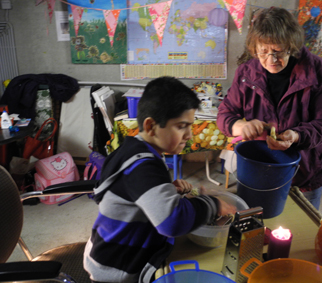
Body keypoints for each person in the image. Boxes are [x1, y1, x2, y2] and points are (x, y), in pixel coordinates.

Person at [84, 76, 236, 283]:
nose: (189, 135)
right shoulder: (144, 167)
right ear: (151, 126)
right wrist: (213, 204)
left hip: (109, 250)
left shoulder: (133, 149)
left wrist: (166, 190)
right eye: (182, 126)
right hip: (118, 269)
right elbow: (172, 223)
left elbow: (133, 191)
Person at [217, 7, 322, 210]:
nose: (271, 60)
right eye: (263, 52)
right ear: (254, 48)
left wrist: (296, 136)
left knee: (301, 226)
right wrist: (239, 126)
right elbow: (225, 114)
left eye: (278, 51)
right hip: (259, 166)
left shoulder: (319, 71)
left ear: (291, 45)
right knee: (257, 224)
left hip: (306, 168)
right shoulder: (246, 73)